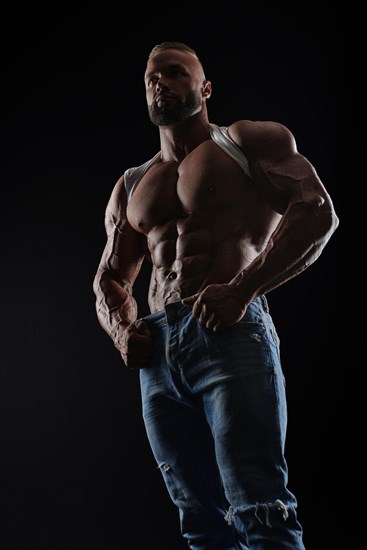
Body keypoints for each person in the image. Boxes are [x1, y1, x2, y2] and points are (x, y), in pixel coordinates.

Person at [93, 41, 338, 550]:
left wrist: (243, 290)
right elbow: (109, 279)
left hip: (229, 332)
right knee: (199, 522)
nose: (159, 81)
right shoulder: (133, 184)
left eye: (175, 72)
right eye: (151, 77)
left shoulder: (246, 142)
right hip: (157, 357)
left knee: (260, 506)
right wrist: (122, 331)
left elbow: (317, 212)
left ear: (205, 89)